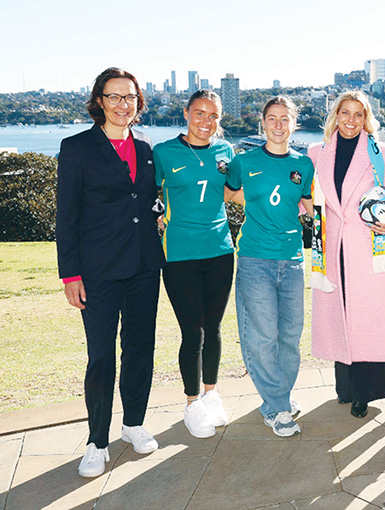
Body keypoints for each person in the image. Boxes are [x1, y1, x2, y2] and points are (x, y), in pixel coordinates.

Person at [56, 67, 165, 477]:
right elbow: (66, 217)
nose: (124, 105)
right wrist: (71, 274)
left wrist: (158, 217)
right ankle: (96, 440)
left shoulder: (146, 147)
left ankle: (133, 424)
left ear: (139, 103)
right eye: (115, 96)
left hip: (142, 266)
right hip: (97, 271)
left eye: (131, 97)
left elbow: (146, 201)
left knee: (140, 349)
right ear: (99, 101)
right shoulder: (77, 148)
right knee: (101, 357)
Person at [308, 91, 385, 418]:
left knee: (367, 318)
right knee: (342, 313)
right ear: (335, 115)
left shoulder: (383, 153)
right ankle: (345, 387)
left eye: (358, 114)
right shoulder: (315, 153)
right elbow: (305, 197)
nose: (351, 120)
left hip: (369, 246)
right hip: (333, 246)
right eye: (345, 113)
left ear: (367, 119)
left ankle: (365, 392)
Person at [225, 96, 314, 437]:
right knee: (263, 338)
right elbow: (229, 193)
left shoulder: (303, 165)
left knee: (290, 337)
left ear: (294, 123)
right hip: (254, 259)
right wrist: (256, 201)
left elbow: (306, 202)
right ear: (262, 122)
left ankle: (279, 397)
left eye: (285, 119)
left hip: (292, 260)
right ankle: (277, 407)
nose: (278, 125)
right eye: (272, 119)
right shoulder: (244, 161)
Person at [153, 90, 235, 438]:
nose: (206, 121)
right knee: (193, 331)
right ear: (186, 113)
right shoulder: (163, 152)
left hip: (220, 250)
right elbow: (145, 194)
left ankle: (212, 394)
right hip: (179, 255)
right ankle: (191, 402)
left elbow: (232, 192)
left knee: (214, 328)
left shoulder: (226, 152)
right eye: (199, 113)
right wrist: (158, 217)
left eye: (213, 115)